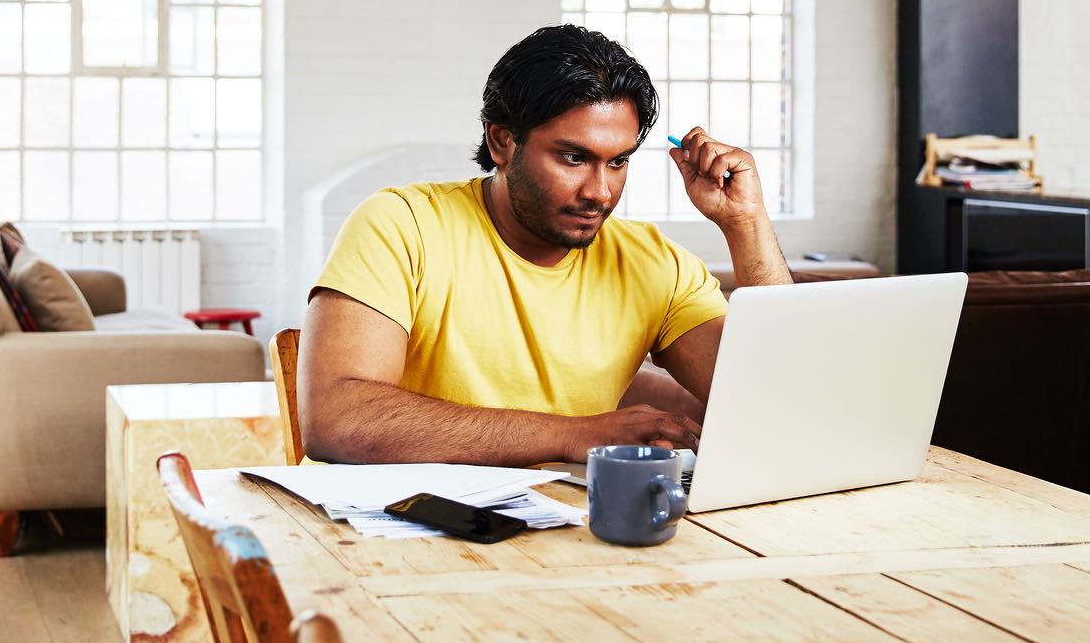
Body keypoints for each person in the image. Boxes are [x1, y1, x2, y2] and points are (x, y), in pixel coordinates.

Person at [301, 24, 792, 465]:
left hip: (557, 533)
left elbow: (776, 401)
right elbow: (339, 418)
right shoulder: (402, 224)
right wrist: (573, 435)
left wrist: (745, 223)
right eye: (574, 157)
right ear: (501, 141)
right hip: (386, 533)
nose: (600, 191)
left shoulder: (654, 264)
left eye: (619, 161)